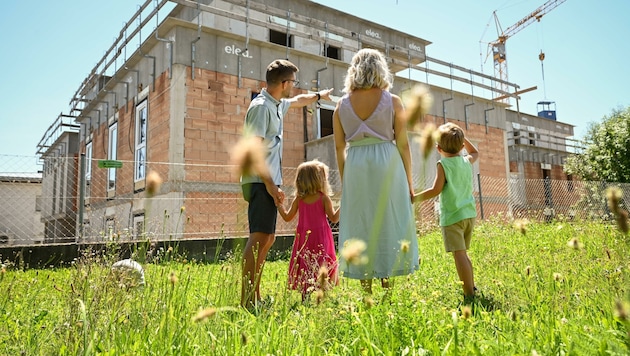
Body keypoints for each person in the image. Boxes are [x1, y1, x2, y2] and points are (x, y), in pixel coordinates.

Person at [240, 59, 333, 309]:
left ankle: (256, 297)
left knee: (268, 238)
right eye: (293, 82)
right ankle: (248, 301)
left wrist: (318, 95)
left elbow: (298, 101)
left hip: (268, 181)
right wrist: (271, 185)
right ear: (283, 83)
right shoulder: (260, 108)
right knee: (259, 237)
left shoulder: (278, 104)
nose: (294, 86)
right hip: (260, 181)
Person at [332, 48, 419, 294]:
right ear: (380, 69)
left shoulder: (341, 105)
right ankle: (388, 287)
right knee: (388, 220)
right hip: (386, 162)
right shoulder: (392, 101)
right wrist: (410, 183)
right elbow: (403, 144)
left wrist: (345, 178)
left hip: (356, 164)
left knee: (362, 223)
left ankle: (366, 289)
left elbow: (339, 147)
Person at [414, 122, 479, 299]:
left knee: (459, 255)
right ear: (462, 145)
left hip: (453, 217)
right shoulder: (466, 161)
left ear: (438, 148)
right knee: (463, 254)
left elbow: (436, 190)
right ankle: (471, 286)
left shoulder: (443, 164)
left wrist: (414, 197)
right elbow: (475, 152)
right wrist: (463, 139)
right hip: (469, 215)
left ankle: (468, 293)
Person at [277, 160, 339, 301]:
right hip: (321, 238)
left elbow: (287, 217)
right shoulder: (324, 199)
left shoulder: (299, 199)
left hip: (304, 239)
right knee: (322, 263)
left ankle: (305, 296)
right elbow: (334, 218)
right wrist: (345, 203)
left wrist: (279, 205)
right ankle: (323, 294)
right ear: (317, 179)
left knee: (305, 264)